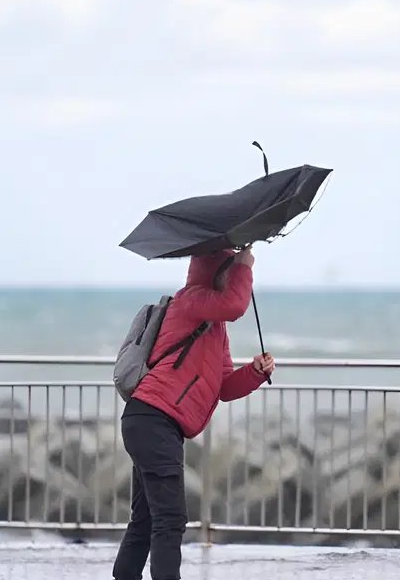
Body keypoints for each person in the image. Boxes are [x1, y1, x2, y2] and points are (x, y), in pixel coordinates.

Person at [112, 246, 275, 580]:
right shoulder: (191, 299)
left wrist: (255, 372)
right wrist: (246, 264)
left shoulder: (215, 328)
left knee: (146, 518)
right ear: (214, 271)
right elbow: (235, 305)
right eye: (228, 270)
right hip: (153, 419)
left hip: (154, 423)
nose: (233, 278)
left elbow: (224, 387)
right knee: (170, 519)